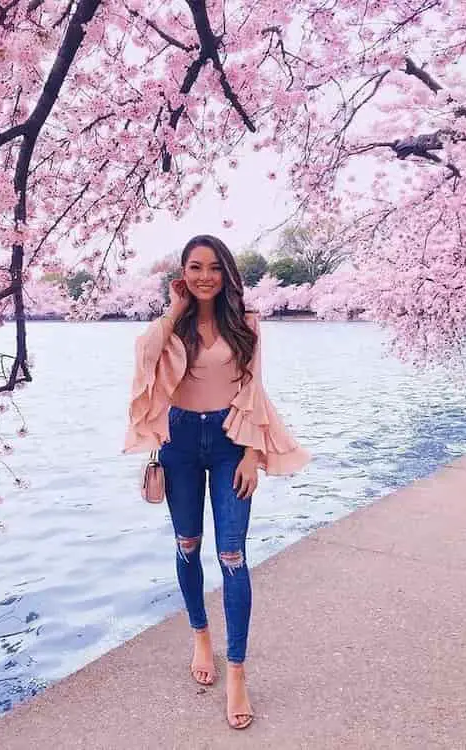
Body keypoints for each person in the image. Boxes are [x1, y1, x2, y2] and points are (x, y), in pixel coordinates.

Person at [124, 234, 310, 730]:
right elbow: (143, 359)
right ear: (183, 274)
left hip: (231, 439)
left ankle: (237, 672)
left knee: (233, 555)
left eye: (212, 267)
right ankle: (200, 634)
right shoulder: (172, 326)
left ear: (226, 273)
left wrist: (252, 454)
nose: (204, 275)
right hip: (180, 441)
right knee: (188, 545)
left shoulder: (246, 325)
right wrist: (172, 309)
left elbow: (253, 389)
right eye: (194, 267)